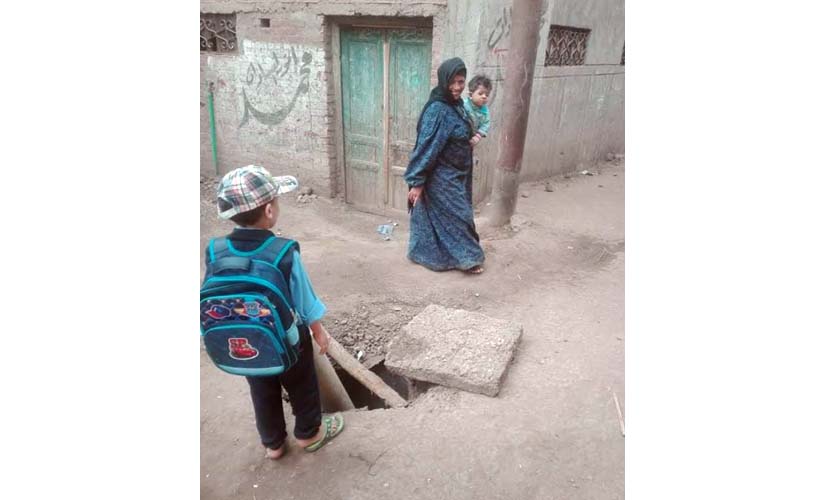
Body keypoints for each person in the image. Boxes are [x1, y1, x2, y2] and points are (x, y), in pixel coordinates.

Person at [207, 165, 344, 460]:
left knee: (261, 387)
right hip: (287, 339)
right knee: (302, 384)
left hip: (244, 341)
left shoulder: (215, 250)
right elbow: (304, 299)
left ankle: (273, 444)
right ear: (269, 211)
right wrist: (318, 332)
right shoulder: (283, 252)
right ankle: (309, 434)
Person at [404, 57, 485, 274]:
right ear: (444, 81)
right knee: (460, 215)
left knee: (448, 217)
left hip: (458, 173)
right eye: (453, 82)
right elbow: (426, 146)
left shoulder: (456, 105)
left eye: (461, 82)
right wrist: (417, 181)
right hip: (441, 175)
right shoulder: (438, 110)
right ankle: (469, 258)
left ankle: (440, 254)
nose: (457, 87)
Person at [462, 75, 492, 147]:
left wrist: (478, 136)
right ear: (470, 94)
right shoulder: (463, 105)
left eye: (487, 95)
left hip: (471, 138)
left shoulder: (485, 111)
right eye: (480, 94)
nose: (484, 96)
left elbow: (485, 124)